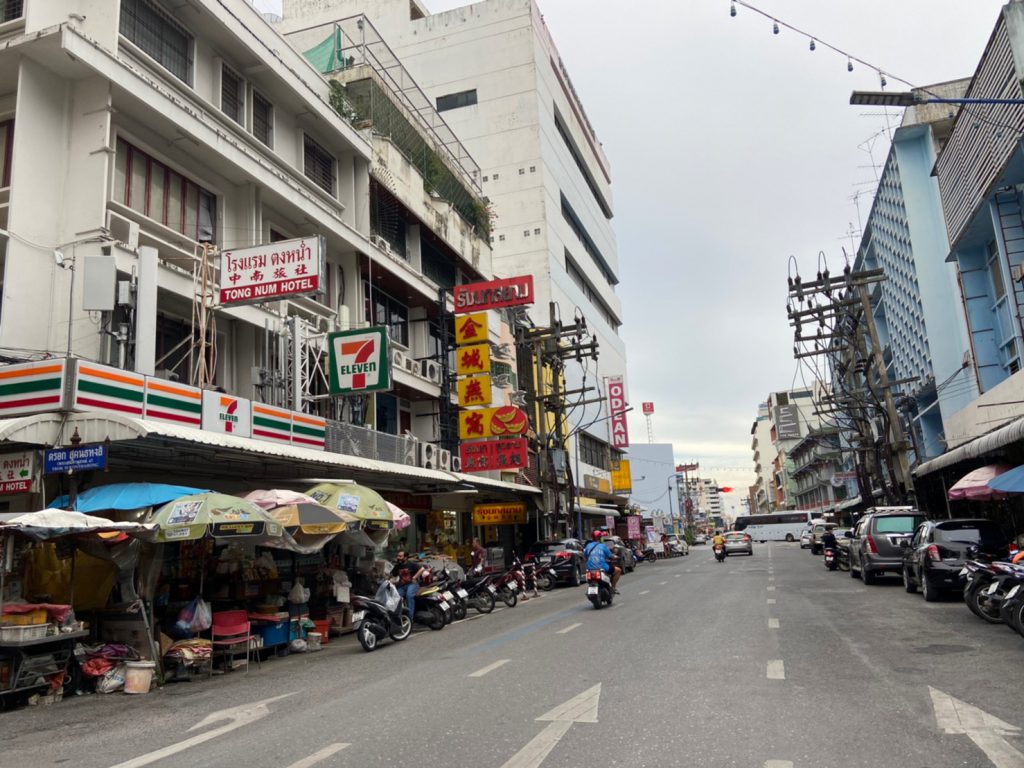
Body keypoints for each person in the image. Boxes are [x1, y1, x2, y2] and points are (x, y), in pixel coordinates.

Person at [390, 551, 425, 620]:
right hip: (402, 586)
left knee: (409, 595)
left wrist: (414, 577)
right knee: (397, 598)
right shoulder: (397, 566)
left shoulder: (411, 564)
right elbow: (393, 575)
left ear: (405, 557)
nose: (398, 558)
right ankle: (399, 617)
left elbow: (422, 569)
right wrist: (388, 581)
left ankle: (410, 618)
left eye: (400, 556)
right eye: (398, 556)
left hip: (412, 584)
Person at [584, 530, 621, 594]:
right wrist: (616, 557)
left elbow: (585, 557)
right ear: (599, 538)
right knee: (618, 570)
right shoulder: (603, 546)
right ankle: (613, 587)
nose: (602, 538)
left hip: (590, 569)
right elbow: (610, 556)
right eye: (601, 537)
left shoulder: (588, 546)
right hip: (602, 567)